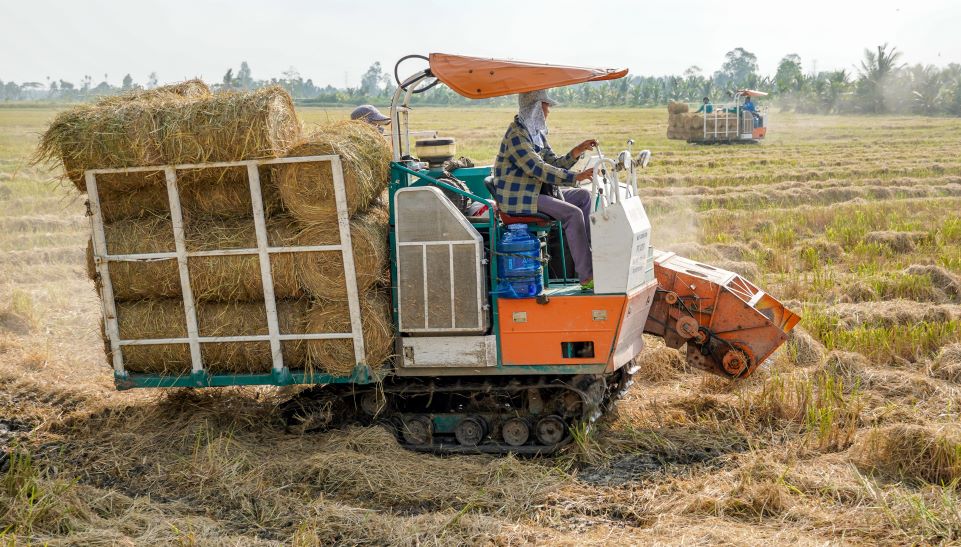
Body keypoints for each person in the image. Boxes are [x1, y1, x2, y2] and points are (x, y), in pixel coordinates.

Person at [492, 89, 598, 289]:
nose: (548, 110)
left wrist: (577, 151)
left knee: (583, 197)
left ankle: (590, 261)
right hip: (520, 198)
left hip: (537, 192)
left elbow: (553, 162)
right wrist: (575, 177)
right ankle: (587, 278)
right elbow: (537, 168)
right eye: (546, 105)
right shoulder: (517, 134)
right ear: (535, 108)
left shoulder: (535, 133)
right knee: (572, 213)